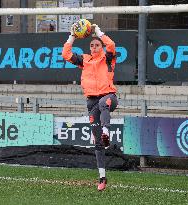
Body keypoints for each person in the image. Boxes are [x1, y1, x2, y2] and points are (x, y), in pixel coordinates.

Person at [62, 23, 118, 191]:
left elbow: (111, 45)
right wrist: (72, 36)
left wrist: (98, 32)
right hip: (91, 102)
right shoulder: (84, 60)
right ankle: (102, 177)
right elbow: (66, 54)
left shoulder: (108, 57)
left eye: (97, 45)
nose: (94, 47)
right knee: (97, 143)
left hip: (109, 97)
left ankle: (107, 131)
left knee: (103, 104)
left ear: (101, 46)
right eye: (92, 45)